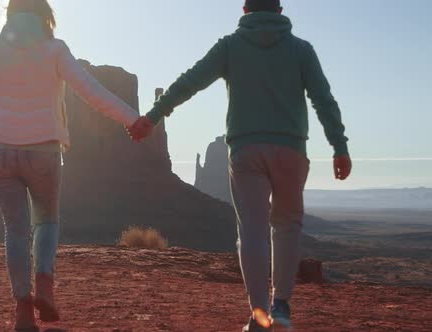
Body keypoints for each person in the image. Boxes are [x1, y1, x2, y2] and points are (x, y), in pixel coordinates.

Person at [128, 0, 352, 330]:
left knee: (252, 231)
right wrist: (339, 146)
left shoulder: (231, 46)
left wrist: (153, 116)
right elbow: (323, 99)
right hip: (291, 150)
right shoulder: (301, 50)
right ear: (280, 10)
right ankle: (281, 309)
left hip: (246, 150)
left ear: (245, 10)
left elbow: (190, 82)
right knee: (287, 226)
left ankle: (259, 315)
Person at [0, 0, 139, 330]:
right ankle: (44, 285)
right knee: (45, 221)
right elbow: (91, 91)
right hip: (42, 152)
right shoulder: (55, 49)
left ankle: (22, 311)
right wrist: (131, 119)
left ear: (10, 15)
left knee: (15, 229)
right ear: (46, 15)